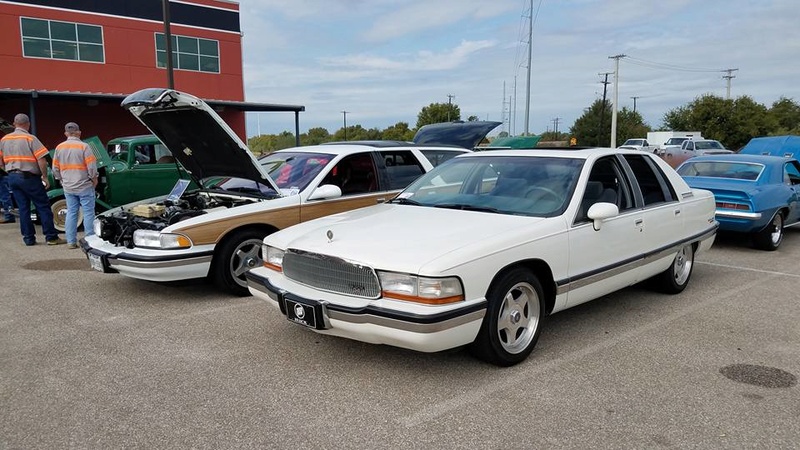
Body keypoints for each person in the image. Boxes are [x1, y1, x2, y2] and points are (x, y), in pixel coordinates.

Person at [0, 113, 65, 245]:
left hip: (12, 177)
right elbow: (41, 160)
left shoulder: (4, 140)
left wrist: (9, 171)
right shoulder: (30, 138)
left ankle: (29, 239)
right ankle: (51, 237)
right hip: (29, 178)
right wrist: (45, 177)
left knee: (23, 209)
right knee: (43, 206)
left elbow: (1, 162)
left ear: (14, 124)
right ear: (28, 124)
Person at [52, 122, 98, 249]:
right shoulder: (84, 147)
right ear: (79, 132)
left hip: (68, 186)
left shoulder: (59, 148)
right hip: (84, 185)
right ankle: (90, 241)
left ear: (66, 134)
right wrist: (94, 179)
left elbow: (55, 168)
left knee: (72, 212)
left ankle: (71, 241)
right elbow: (92, 167)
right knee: (88, 212)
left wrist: (61, 179)